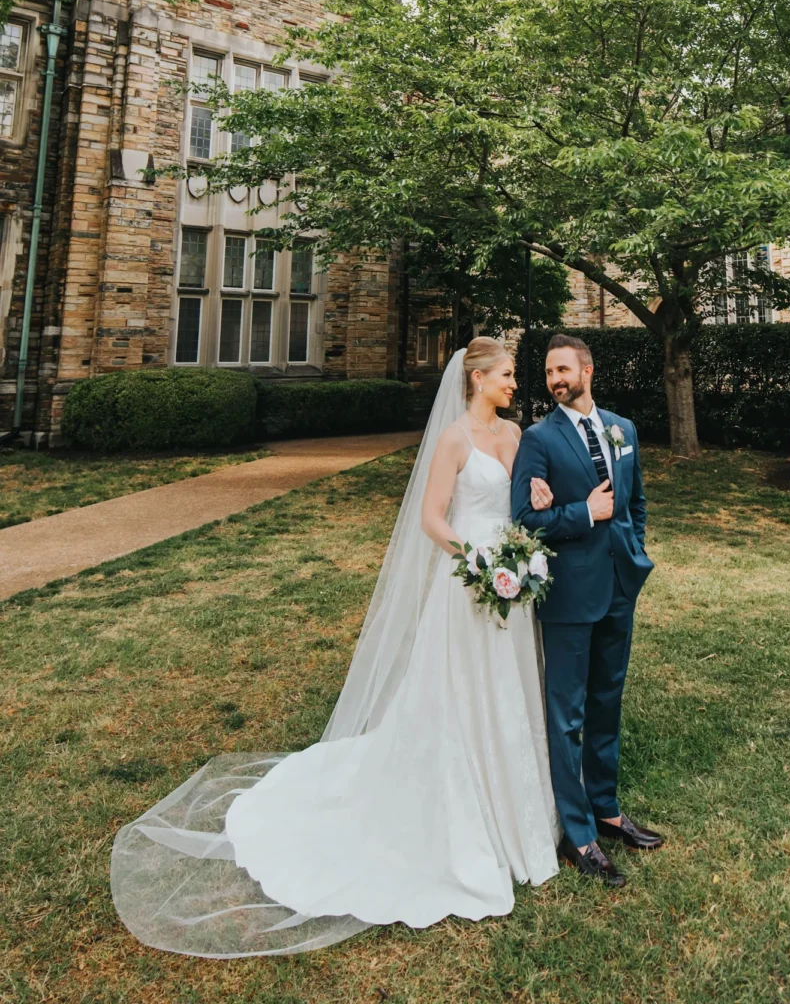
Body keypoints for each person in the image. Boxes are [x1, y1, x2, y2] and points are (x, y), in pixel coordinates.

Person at [110, 339, 558, 957]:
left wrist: (533, 519)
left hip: (512, 583)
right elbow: (431, 516)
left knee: (511, 691)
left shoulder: (516, 436)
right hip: (469, 583)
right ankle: (458, 810)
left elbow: (529, 502)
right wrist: (473, 561)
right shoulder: (454, 439)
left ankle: (517, 809)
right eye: (507, 374)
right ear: (477, 378)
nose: (515, 382)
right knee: (458, 694)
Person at [511, 333, 663, 887]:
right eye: (549, 372)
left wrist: (633, 546)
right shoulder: (538, 440)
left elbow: (637, 500)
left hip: (620, 585)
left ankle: (607, 807)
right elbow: (524, 521)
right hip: (570, 596)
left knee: (606, 701)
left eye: (562, 369)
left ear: (587, 371)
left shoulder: (623, 429)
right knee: (568, 714)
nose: (554, 379)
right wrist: (584, 512)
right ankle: (578, 834)